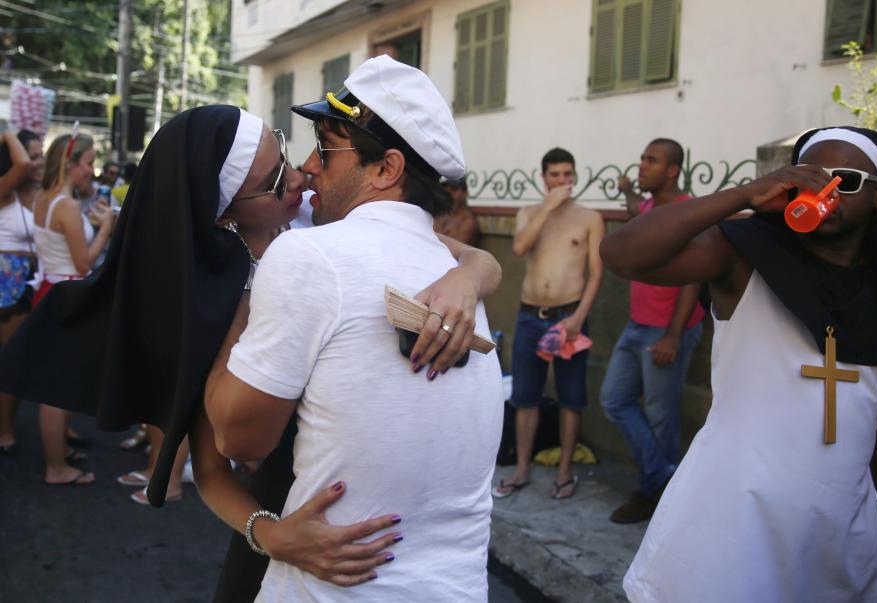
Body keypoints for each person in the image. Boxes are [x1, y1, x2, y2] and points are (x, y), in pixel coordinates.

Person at [0, 103, 500, 596]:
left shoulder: (310, 221)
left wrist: (468, 277)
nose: (300, 176)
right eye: (275, 180)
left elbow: (467, 254)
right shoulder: (214, 300)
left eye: (289, 156)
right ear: (226, 214)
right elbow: (217, 462)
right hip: (295, 515)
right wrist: (270, 534)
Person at [205, 55, 504, 601]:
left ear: (386, 169)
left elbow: (238, 438)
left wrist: (247, 285)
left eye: (325, 148)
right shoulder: (451, 270)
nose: (309, 168)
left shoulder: (311, 256)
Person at [601, 126, 877, 602]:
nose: (825, 192)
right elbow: (622, 255)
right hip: (726, 526)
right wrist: (744, 193)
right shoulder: (744, 257)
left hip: (835, 537)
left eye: (844, 180)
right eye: (809, 179)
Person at [601, 139, 704, 523]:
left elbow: (692, 279)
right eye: (642, 158)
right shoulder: (648, 207)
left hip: (665, 330)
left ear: (672, 170)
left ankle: (652, 493)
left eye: (651, 161)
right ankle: (663, 478)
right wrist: (628, 191)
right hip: (636, 326)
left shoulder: (686, 212)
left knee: (662, 415)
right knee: (614, 399)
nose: (642, 165)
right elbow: (635, 214)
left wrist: (673, 336)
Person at [494, 147, 604, 500]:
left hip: (569, 317)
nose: (562, 181)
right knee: (526, 398)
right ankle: (523, 469)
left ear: (574, 176)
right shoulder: (528, 212)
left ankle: (565, 472)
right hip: (530, 317)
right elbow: (521, 247)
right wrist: (548, 208)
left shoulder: (589, 218)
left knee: (572, 399)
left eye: (567, 174)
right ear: (544, 178)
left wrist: (578, 318)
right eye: (555, 175)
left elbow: (596, 272)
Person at [31, 132, 114, 485]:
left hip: (51, 288)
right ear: (70, 163)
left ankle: (59, 454)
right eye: (89, 162)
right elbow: (83, 263)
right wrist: (106, 228)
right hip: (67, 291)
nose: (92, 171)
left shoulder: (44, 199)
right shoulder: (65, 205)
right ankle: (56, 468)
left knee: (54, 382)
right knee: (56, 389)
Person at [0, 127, 36, 454]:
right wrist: (8, 133)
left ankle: (5, 428)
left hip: (18, 281)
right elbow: (23, 165)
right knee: (8, 361)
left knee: (11, 360)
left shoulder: (18, 196)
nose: (33, 162)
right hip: (4, 282)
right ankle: (5, 430)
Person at [434, 177, 479, 246]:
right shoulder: (440, 215)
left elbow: (455, 250)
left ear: (465, 193)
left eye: (453, 189)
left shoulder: (467, 222)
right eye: (445, 189)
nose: (448, 193)